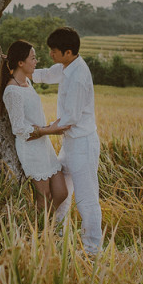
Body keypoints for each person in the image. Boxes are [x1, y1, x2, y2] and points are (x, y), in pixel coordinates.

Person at [33, 26, 102, 255]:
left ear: (69, 52)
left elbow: (68, 120)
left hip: (82, 144)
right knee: (61, 190)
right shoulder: (66, 67)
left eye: (54, 50)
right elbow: (44, 75)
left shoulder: (79, 77)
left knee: (86, 198)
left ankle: (92, 249)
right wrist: (17, 66)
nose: (51, 54)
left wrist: (41, 132)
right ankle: (57, 234)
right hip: (71, 144)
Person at [0, 40, 70, 215]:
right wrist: (50, 130)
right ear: (20, 63)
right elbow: (20, 129)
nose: (36, 61)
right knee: (43, 197)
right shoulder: (12, 91)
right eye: (32, 58)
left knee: (61, 193)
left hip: (43, 145)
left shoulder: (27, 84)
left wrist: (49, 129)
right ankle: (39, 233)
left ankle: (44, 225)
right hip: (30, 148)